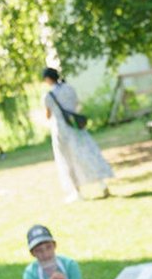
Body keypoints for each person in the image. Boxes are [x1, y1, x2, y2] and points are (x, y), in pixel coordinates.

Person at [42, 67, 113, 203]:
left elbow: (48, 115)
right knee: (87, 155)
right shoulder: (69, 88)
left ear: (48, 79)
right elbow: (76, 105)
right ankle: (102, 184)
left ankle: (77, 192)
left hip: (62, 131)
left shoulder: (49, 95)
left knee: (68, 161)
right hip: (76, 127)